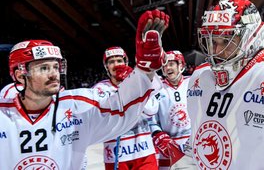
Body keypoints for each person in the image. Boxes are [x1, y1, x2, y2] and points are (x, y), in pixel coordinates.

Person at [143, 0, 264, 169]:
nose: (215, 51)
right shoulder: (199, 77)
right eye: (210, 40)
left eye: (225, 40)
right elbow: (199, 140)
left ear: (250, 36)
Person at [0, 9, 168, 169]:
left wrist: (145, 69)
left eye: (56, 67)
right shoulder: (3, 115)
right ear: (20, 75)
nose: (54, 74)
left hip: (142, 151)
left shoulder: (77, 106)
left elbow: (124, 107)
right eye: (44, 68)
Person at [92, 46, 158, 169]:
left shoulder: (140, 83)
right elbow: (100, 120)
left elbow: (151, 110)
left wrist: (132, 86)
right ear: (106, 66)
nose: (116, 65)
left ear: (126, 62)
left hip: (144, 151)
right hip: (116, 155)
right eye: (111, 62)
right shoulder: (99, 90)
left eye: (119, 60)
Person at [149, 50, 190, 169]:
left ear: (180, 65)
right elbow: (150, 119)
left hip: (193, 144)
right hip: (168, 147)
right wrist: (158, 134)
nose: (167, 68)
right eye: (165, 65)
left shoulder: (193, 83)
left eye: (171, 64)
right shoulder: (157, 88)